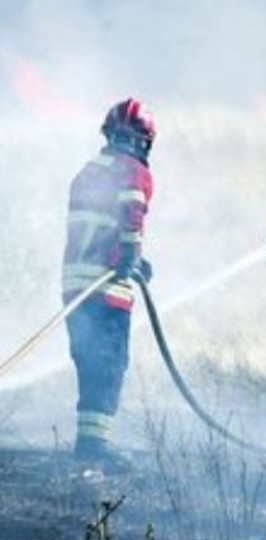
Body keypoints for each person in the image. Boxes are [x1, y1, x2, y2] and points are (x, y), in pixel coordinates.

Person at [61, 97, 157, 468]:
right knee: (109, 362)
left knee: (89, 362)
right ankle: (94, 449)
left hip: (75, 284)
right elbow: (131, 213)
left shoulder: (88, 171)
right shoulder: (132, 170)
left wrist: (134, 260)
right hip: (106, 288)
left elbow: (100, 225)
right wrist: (130, 255)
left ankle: (88, 443)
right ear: (143, 140)